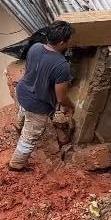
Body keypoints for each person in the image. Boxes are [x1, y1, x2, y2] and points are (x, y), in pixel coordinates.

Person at [9, 20, 74, 172]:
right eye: (69, 40)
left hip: (23, 91)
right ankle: (16, 165)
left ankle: (18, 126)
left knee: (23, 112)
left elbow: (30, 69)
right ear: (62, 42)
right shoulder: (62, 66)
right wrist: (71, 106)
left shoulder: (36, 47)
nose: (70, 42)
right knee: (29, 139)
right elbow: (61, 98)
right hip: (37, 105)